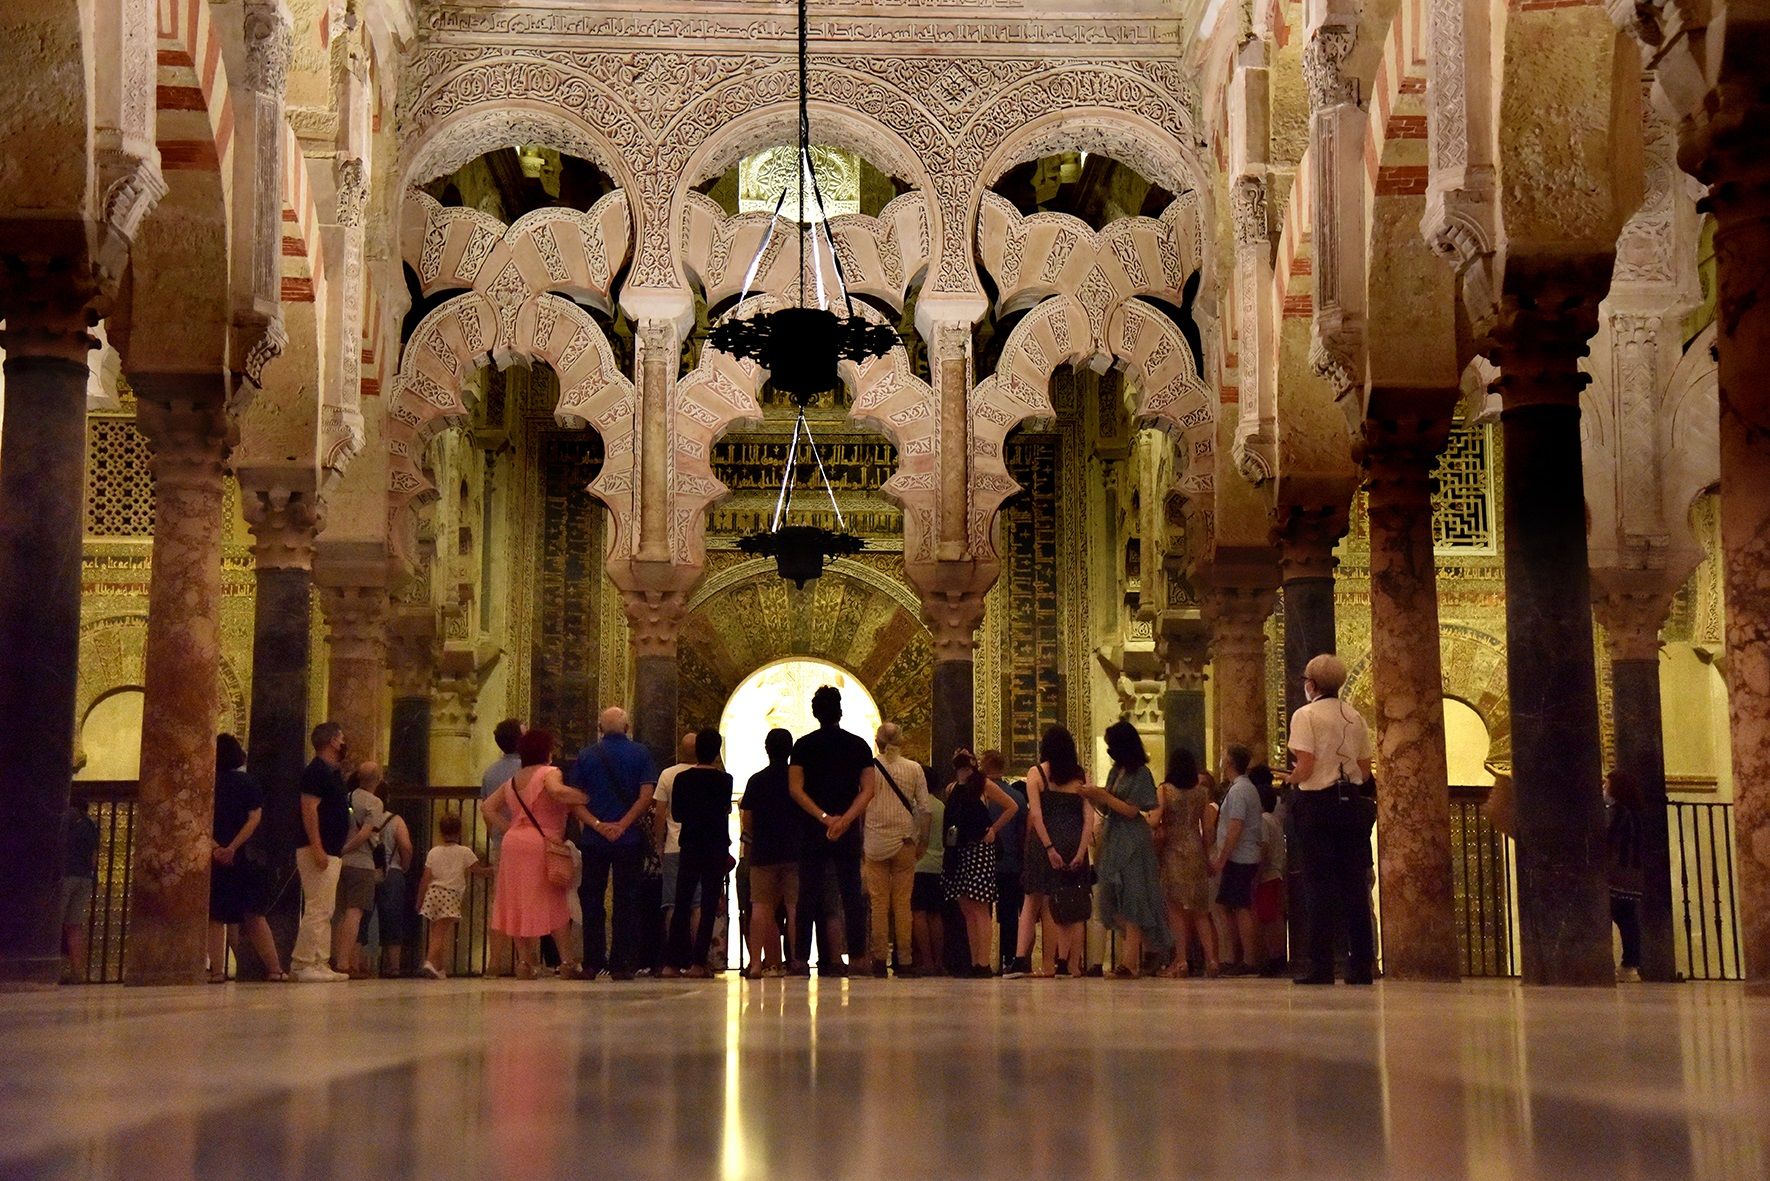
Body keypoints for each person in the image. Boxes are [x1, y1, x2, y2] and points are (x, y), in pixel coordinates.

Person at [1285, 653, 1376, 986]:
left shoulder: (1305, 715)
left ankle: (1321, 965)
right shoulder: (1355, 717)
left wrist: (1289, 779)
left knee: (1318, 886)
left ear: (1311, 684)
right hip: (1350, 804)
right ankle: (1361, 966)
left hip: (1317, 805)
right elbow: (1365, 770)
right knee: (1353, 886)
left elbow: (1305, 766)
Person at [483, 728, 591, 980]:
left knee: (517, 902)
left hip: (513, 844)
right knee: (554, 901)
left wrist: (511, 828)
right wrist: (585, 796)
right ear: (546, 751)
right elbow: (556, 792)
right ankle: (566, 962)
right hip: (541, 843)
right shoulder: (549, 772)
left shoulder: (513, 779)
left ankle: (525, 962)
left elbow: (488, 807)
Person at [787, 685, 877, 974]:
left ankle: (800, 959)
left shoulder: (802, 746)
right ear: (840, 710)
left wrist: (824, 817)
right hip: (847, 830)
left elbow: (795, 789)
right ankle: (859, 958)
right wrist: (845, 819)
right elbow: (868, 790)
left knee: (807, 894)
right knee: (851, 894)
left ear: (815, 712)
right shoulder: (859, 745)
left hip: (812, 830)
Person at [571, 706, 658, 980]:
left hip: (594, 840)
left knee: (592, 898)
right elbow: (646, 796)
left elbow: (576, 800)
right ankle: (621, 963)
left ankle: (593, 961)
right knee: (627, 899)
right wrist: (622, 824)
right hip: (628, 838)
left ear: (600, 728)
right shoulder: (641, 753)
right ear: (627, 727)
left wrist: (598, 825)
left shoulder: (586, 755)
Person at [1081, 721, 1172, 977]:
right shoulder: (1116, 771)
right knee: (1113, 899)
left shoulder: (1140, 773)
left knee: (1133, 898)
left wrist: (1104, 795)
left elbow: (1133, 810)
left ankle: (1130, 962)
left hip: (1133, 839)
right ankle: (1138, 951)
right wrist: (1092, 796)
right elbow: (1109, 806)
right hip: (1114, 836)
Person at [1012, 726, 1094, 979]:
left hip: (1044, 843)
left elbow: (1035, 815)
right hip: (1073, 841)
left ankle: (1020, 959)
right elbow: (1088, 817)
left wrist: (1049, 848)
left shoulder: (1036, 773)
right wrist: (1081, 852)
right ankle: (1067, 963)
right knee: (1072, 904)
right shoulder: (1081, 776)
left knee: (1033, 901)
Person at [207, 734, 283, 983]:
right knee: (254, 915)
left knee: (216, 916)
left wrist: (217, 847)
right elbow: (254, 818)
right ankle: (275, 969)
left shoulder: (207, 783)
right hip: (245, 858)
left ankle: (217, 971)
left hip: (215, 858)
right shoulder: (247, 782)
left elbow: (199, 821)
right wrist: (233, 847)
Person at [942, 749, 1019, 977]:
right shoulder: (952, 788)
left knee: (979, 906)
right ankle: (975, 960)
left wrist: (994, 829)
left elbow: (1011, 806)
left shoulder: (983, 785)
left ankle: (983, 961)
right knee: (966, 906)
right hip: (959, 849)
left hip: (979, 849)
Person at [862, 722, 931, 977]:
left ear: (877, 742)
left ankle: (879, 959)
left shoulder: (869, 768)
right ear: (901, 741)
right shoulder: (914, 769)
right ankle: (904, 960)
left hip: (875, 841)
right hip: (904, 841)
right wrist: (921, 840)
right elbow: (925, 809)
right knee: (903, 904)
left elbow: (861, 803)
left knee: (879, 904)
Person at [665, 728, 734, 978]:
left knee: (681, 903)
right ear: (717, 752)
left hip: (690, 845)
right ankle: (698, 963)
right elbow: (724, 811)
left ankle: (671, 963)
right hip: (715, 847)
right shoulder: (725, 781)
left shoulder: (682, 779)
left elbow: (678, 814)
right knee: (707, 906)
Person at [292, 722, 351, 983]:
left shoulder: (332, 772)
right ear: (332, 741)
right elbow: (309, 808)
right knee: (317, 907)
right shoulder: (315, 771)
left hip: (331, 848)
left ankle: (320, 960)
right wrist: (317, 846)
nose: (344, 743)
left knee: (326, 908)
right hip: (318, 847)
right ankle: (303, 962)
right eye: (341, 738)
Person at [740, 727, 800, 977]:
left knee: (760, 907)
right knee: (794, 907)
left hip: (763, 851)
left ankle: (756, 963)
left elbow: (748, 818)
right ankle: (797, 962)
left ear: (766, 749)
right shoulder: (797, 779)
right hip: (794, 851)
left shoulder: (756, 780)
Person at [1155, 745, 1216, 979]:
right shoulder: (1201, 792)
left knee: (1175, 909)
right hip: (1196, 848)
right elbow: (1207, 828)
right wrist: (1208, 854)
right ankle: (1211, 959)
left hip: (1173, 849)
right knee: (1201, 910)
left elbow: (1158, 817)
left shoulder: (1165, 790)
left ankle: (1181, 961)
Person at [1210, 745, 1266, 976]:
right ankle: (1241, 957)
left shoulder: (1240, 790)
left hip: (1239, 857)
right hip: (1241, 855)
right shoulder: (1242, 788)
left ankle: (1249, 959)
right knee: (1235, 906)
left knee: (1241, 907)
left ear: (1230, 763)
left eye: (1224, 757)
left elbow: (1236, 825)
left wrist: (1223, 857)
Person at [335, 762, 390, 978]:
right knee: (355, 913)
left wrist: (340, 851)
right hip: (361, 863)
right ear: (379, 779)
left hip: (342, 864)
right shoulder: (374, 802)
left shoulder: (347, 797)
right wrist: (347, 848)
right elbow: (366, 833)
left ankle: (334, 957)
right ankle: (343, 963)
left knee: (339, 913)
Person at [481, 718, 525, 977]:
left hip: (501, 844)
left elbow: (487, 810)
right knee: (527, 903)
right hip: (527, 843)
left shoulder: (490, 772)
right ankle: (525, 961)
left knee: (500, 904)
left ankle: (494, 963)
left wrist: (497, 834)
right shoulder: (528, 769)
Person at [416, 813, 483, 979]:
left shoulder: (433, 852)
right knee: (441, 932)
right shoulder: (464, 852)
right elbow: (478, 871)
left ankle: (439, 967)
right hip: (450, 894)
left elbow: (425, 878)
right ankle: (430, 962)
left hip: (432, 893)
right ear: (460, 831)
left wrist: (419, 899)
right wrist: (494, 870)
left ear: (440, 832)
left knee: (436, 932)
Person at [653, 733, 700, 969]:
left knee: (672, 904)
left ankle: (674, 958)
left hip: (673, 846)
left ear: (680, 750)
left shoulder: (668, 774)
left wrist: (658, 843)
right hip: (700, 846)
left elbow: (660, 813)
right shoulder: (712, 775)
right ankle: (697, 958)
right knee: (698, 905)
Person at [981, 750, 1027, 974]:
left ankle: (983, 960)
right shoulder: (1017, 798)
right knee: (1009, 916)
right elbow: (1022, 836)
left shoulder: (982, 794)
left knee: (982, 914)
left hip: (983, 864)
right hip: (1010, 864)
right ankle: (1009, 959)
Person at [1606, 769, 1645, 983]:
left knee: (1612, 915)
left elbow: (1607, 837)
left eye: (1606, 785)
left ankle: (1625, 964)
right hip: (1633, 873)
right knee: (1627, 919)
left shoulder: (1619, 811)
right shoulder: (1636, 812)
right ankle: (1631, 965)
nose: (1604, 789)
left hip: (1617, 872)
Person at [370, 796, 414, 978]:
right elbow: (406, 846)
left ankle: (355, 963)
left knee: (361, 917)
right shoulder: (395, 820)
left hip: (366, 870)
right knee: (393, 919)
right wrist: (405, 865)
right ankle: (394, 966)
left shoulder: (362, 816)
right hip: (392, 871)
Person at [1251, 765, 1289, 976]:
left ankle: (1275, 957)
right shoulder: (1274, 819)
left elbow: (1263, 850)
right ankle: (1276, 955)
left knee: (1269, 918)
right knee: (1272, 916)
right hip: (1275, 873)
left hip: (1267, 876)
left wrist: (1256, 874)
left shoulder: (1263, 821)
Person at [911, 778, 949, 975]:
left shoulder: (916, 806)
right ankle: (939, 961)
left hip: (918, 865)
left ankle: (926, 961)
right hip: (938, 864)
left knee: (918, 913)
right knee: (935, 914)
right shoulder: (941, 806)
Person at [61, 801, 99, 984]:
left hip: (66, 876)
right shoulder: (92, 826)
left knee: (53, 923)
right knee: (74, 925)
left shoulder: (66, 823)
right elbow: (93, 857)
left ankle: (50, 968)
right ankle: (77, 972)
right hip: (85, 877)